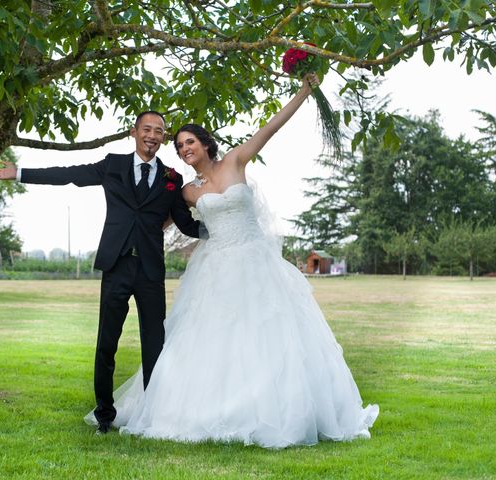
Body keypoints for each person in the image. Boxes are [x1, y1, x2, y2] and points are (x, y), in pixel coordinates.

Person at [102, 74, 379, 448]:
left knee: (269, 334)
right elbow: (158, 217)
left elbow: (272, 127)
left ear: (205, 143)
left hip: (256, 261)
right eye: (180, 145)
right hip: (215, 265)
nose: (184, 149)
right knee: (210, 338)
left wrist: (305, 91)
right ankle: (205, 407)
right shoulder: (186, 190)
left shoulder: (235, 161)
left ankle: (272, 408)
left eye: (190, 142)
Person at [0, 111, 203, 434]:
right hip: (116, 266)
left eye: (159, 131)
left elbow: (185, 223)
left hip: (150, 273)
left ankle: (153, 414)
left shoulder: (171, 178)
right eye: (147, 129)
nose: (153, 135)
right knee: (107, 345)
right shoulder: (113, 165)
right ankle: (105, 414)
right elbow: (70, 173)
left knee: (155, 343)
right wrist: (19, 173)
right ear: (134, 132)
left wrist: (222, 225)